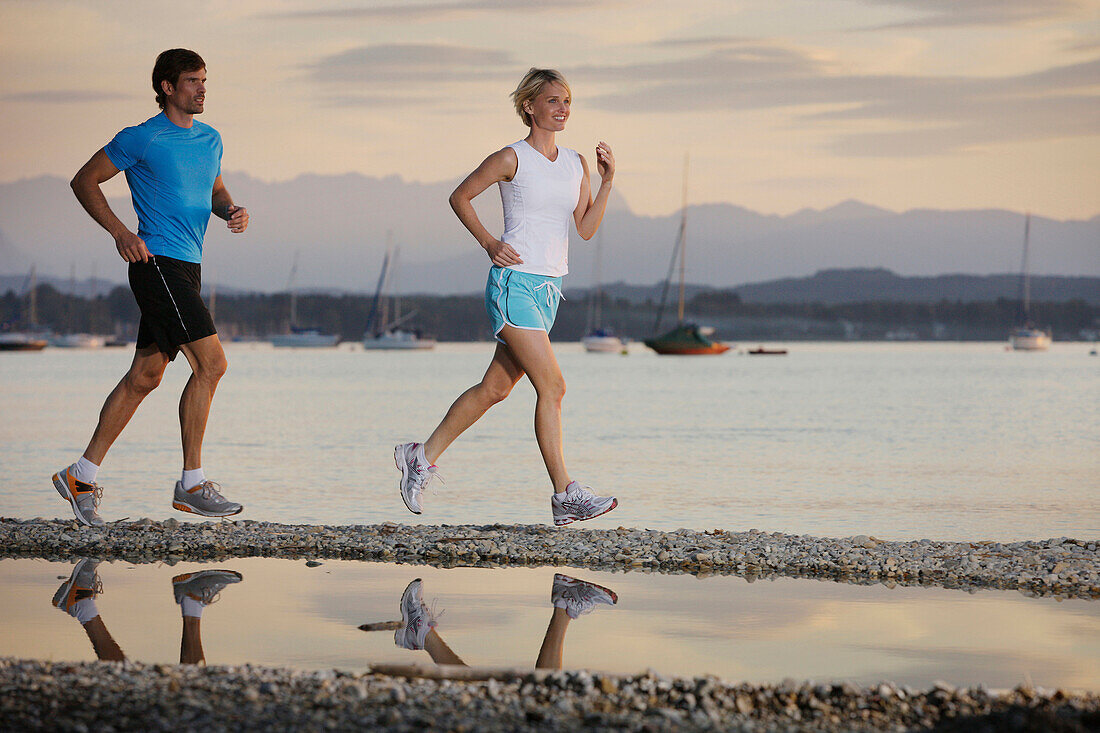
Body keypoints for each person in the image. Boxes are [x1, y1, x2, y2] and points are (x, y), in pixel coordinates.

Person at [395, 68, 618, 526]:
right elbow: (460, 198)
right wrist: (489, 243)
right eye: (553, 101)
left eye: (567, 101)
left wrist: (607, 182)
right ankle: (564, 494)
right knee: (553, 386)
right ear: (530, 106)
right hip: (512, 283)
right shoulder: (510, 158)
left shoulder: (577, 164)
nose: (562, 109)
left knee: (495, 389)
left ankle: (420, 455)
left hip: (549, 289)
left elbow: (586, 229)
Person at [54, 49, 249, 526]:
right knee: (213, 363)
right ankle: (192, 483)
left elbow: (215, 190)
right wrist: (121, 232)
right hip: (154, 261)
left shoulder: (210, 139)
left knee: (145, 376)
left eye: (205, 80)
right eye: (192, 81)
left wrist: (229, 210)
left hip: (188, 266)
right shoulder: (141, 137)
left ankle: (80, 475)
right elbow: (84, 181)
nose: (202, 89)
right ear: (167, 86)